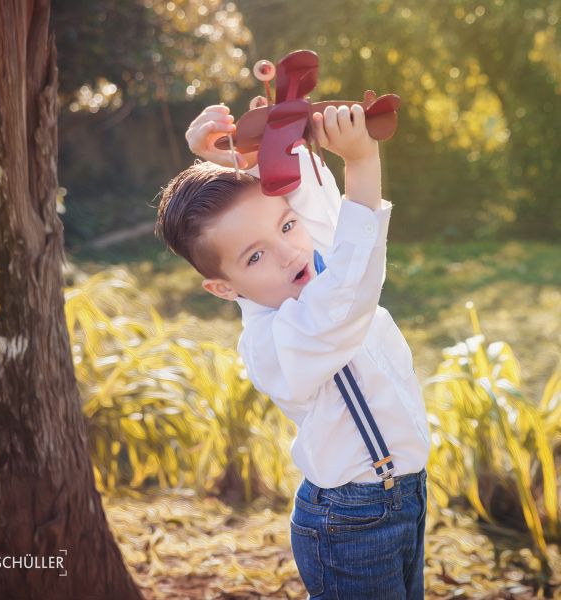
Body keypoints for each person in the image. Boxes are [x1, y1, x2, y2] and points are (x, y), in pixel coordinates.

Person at [155, 99, 430, 599]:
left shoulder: (305, 265)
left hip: (405, 497)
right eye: (255, 256)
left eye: (285, 226)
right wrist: (363, 165)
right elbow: (350, 283)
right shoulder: (280, 339)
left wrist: (242, 153)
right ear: (224, 288)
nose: (288, 252)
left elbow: (317, 215)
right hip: (351, 523)